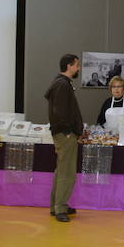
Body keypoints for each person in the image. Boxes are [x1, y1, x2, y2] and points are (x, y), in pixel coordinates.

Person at [45, 53, 83, 223]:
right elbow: (58, 112)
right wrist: (68, 131)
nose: (78, 68)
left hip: (63, 133)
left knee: (61, 170)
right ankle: (60, 208)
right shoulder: (62, 85)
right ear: (69, 66)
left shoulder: (61, 83)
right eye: (77, 65)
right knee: (67, 172)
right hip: (65, 134)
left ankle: (56, 206)